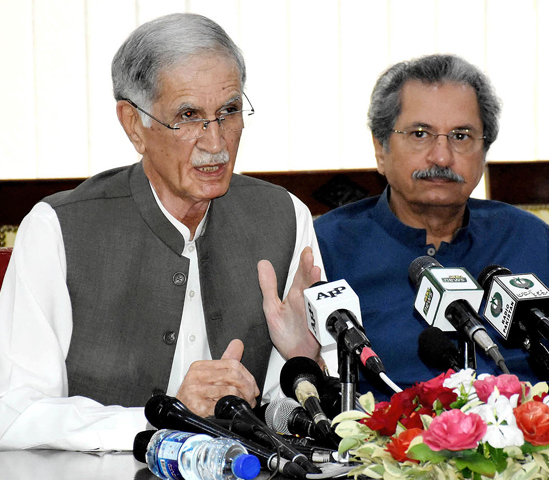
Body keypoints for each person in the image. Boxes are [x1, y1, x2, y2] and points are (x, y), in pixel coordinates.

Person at [0, 13, 333, 451]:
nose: (216, 143)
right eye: (189, 116)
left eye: (229, 111)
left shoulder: (284, 216)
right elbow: (15, 414)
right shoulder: (57, 230)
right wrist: (163, 416)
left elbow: (301, 413)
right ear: (134, 125)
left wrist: (306, 358)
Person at [314, 54, 549, 411]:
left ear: (484, 151)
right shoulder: (326, 248)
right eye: (420, 134)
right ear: (380, 148)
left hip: (533, 453)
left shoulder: (527, 237)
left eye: (461, 135)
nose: (441, 156)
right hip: (386, 456)